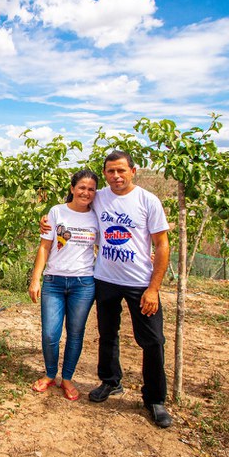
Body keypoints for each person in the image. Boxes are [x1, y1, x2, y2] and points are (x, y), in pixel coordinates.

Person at [40, 150, 172, 427]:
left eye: (121, 170)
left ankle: (155, 399)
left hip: (139, 282)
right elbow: (74, 205)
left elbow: (162, 245)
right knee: (107, 334)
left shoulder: (148, 201)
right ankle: (110, 381)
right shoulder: (99, 196)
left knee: (152, 341)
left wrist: (154, 288)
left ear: (133, 171)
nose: (116, 176)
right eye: (111, 171)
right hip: (105, 279)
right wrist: (45, 219)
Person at [28, 170, 99, 401]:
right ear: (72, 188)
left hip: (83, 283)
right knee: (50, 333)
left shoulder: (97, 216)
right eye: (81, 187)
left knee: (75, 333)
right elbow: (45, 247)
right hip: (54, 281)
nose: (85, 192)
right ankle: (50, 374)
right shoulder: (57, 211)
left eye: (90, 189)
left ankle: (67, 378)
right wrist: (35, 278)